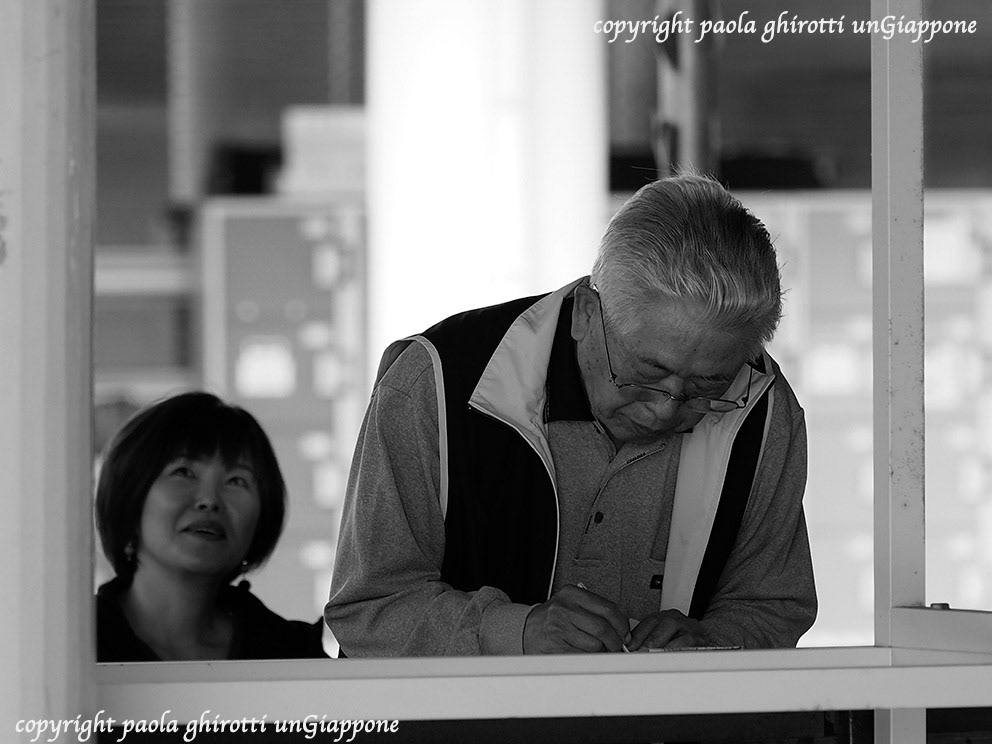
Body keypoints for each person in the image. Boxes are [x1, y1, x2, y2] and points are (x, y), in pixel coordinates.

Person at [325, 174, 816, 656]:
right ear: (585, 313)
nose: (666, 408)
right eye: (647, 372)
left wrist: (715, 642)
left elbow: (772, 606)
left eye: (707, 386)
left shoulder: (763, 411)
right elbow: (368, 609)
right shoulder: (437, 383)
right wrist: (516, 632)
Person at [95, 391, 327, 661]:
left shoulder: (292, 657)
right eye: (183, 472)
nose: (209, 500)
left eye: (237, 481)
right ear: (130, 496)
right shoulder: (70, 645)